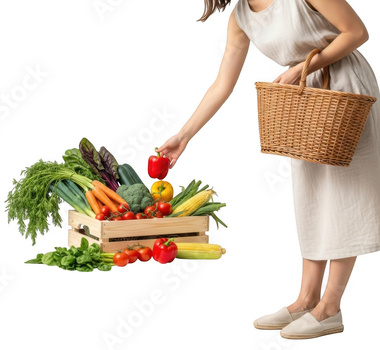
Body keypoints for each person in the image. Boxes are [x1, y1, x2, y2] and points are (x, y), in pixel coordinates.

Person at [157, 0, 380, 339]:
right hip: (302, 98)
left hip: (343, 89)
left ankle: (330, 308)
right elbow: (222, 84)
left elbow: (357, 32)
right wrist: (184, 136)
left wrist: (299, 69)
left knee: (344, 195)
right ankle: (306, 299)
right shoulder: (241, 18)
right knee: (312, 197)